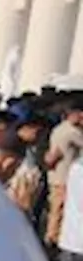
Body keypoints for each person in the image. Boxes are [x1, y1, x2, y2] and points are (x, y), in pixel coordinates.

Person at [46, 97, 83, 247]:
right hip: (65, 178)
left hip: (57, 176)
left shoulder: (59, 128)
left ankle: (52, 238)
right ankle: (53, 240)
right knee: (59, 211)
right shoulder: (72, 132)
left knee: (56, 210)